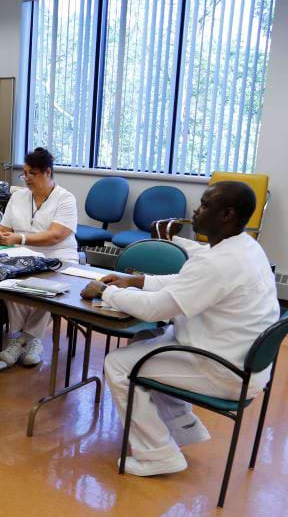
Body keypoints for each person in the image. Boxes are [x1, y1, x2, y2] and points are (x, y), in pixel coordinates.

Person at [80, 181, 279, 477]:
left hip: (226, 370)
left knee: (118, 364)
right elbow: (187, 281)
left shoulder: (222, 261)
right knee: (147, 342)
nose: (196, 211)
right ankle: (184, 426)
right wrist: (138, 281)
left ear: (227, 214)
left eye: (204, 205)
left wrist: (103, 292)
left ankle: (157, 454)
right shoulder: (245, 247)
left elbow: (155, 309)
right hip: (241, 358)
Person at [0, 148, 78, 367]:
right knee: (4, 282)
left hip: (60, 257)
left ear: (48, 172)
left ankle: (27, 339)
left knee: (47, 288)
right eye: (25, 173)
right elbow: (3, 228)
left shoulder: (65, 199)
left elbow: (55, 236)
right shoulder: (18, 196)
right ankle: (27, 338)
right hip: (24, 256)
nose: (27, 178)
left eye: (32, 173)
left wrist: (20, 239)